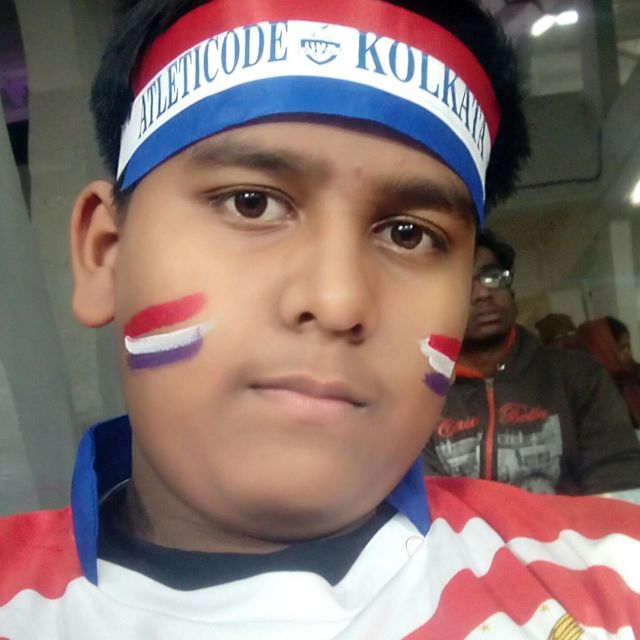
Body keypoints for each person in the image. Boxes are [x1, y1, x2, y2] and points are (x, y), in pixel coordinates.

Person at [1, 1, 639, 638]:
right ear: (106, 256)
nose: (338, 301)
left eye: (409, 234)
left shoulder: (609, 576)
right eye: (251, 203)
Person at [423, 230, 640, 496]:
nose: (483, 294)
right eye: (462, 284)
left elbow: (617, 477)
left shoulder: (578, 375)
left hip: (574, 525)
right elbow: (431, 499)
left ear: (512, 292)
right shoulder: (423, 397)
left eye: (493, 277)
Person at [578, 316, 640, 428]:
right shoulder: (592, 395)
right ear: (602, 351)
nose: (629, 354)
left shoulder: (633, 378)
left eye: (628, 347)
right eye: (621, 348)